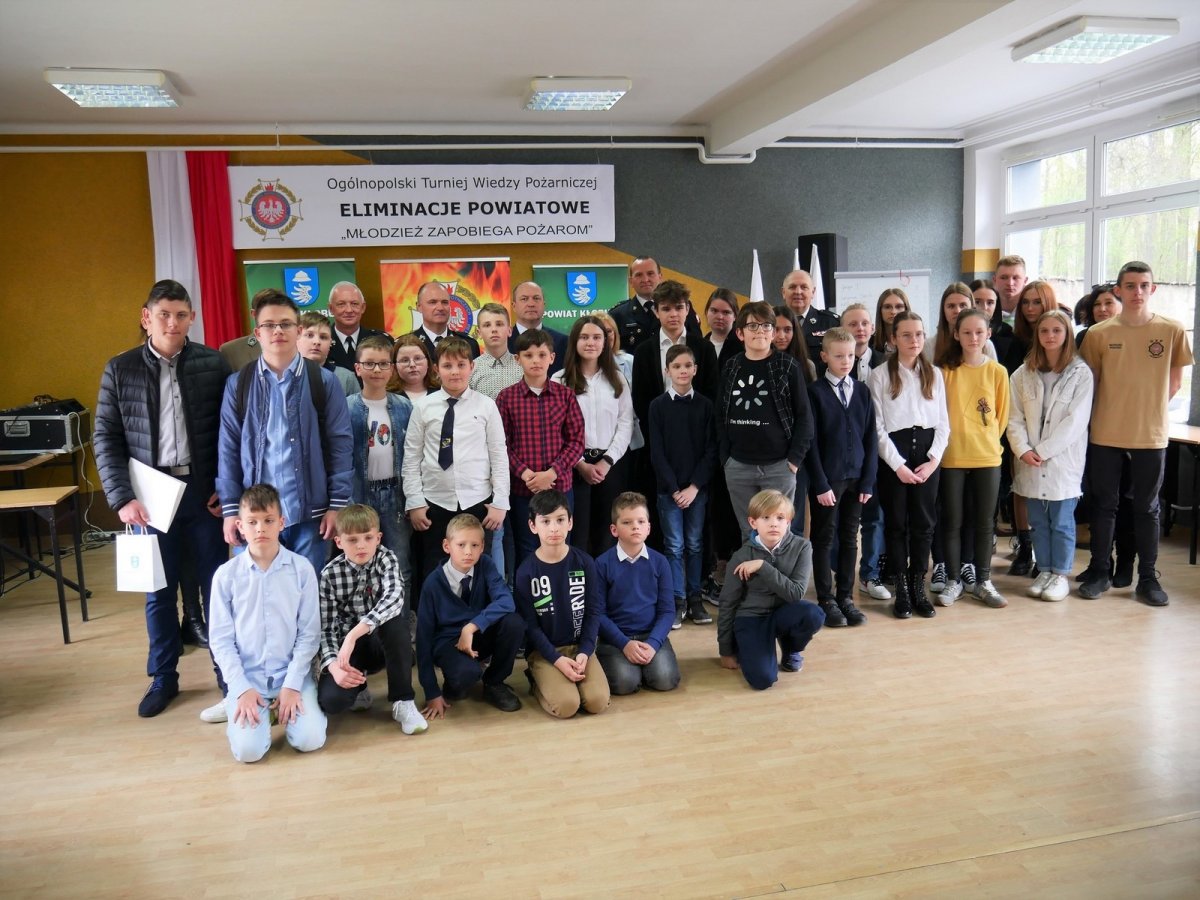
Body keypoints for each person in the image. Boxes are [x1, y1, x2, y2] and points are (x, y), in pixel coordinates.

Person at [94, 278, 231, 719]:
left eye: (181, 315)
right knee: (158, 591)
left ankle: (228, 676)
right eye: (164, 314)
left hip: (204, 496)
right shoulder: (121, 369)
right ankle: (163, 677)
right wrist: (122, 498)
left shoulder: (213, 363)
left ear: (192, 318)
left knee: (217, 589)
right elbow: (106, 437)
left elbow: (230, 431)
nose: (172, 322)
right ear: (146, 317)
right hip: (149, 499)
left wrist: (226, 486)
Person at [216, 288, 354, 578]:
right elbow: (228, 449)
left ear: (298, 330)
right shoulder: (238, 384)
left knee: (306, 593)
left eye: (286, 324)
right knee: (257, 593)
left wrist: (337, 505)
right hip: (255, 517)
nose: (277, 331)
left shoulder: (323, 382)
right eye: (269, 325)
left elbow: (340, 445)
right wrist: (230, 510)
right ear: (258, 332)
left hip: (310, 515)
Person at [1078, 261, 1193, 606]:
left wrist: (1145, 409)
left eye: (1144, 285)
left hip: (1150, 434)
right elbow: (1092, 385)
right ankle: (1100, 570)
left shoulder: (1172, 330)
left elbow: (1174, 383)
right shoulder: (1099, 334)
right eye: (1130, 286)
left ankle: (1147, 578)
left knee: (1147, 508)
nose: (1137, 292)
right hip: (1105, 433)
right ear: (1119, 290)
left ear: (1152, 289)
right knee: (1104, 505)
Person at [208, 484, 327, 763]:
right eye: (252, 522)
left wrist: (293, 685)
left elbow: (309, 634)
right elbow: (221, 640)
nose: (260, 528)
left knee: (310, 741)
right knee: (248, 752)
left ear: (281, 523)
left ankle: (290, 705)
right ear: (240, 526)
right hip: (249, 679)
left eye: (268, 520)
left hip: (291, 674)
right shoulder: (226, 576)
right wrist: (241, 687)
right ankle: (240, 706)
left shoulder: (301, 569)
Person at [402, 337, 509, 592]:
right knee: (434, 567)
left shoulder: (486, 406)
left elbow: (498, 455)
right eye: (447, 366)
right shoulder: (423, 407)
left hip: (478, 500)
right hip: (434, 502)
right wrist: (414, 501)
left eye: (461, 365)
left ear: (472, 367)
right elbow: (411, 458)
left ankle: (476, 614)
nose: (455, 372)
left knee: (477, 568)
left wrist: (500, 502)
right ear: (436, 369)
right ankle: (437, 615)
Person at [316, 504, 427, 734]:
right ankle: (359, 686)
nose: (361, 545)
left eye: (368, 538)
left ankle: (403, 700)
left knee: (395, 623)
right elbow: (325, 629)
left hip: (379, 642)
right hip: (348, 652)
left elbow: (394, 598)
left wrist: (354, 634)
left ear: (378, 538)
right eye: (352, 540)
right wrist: (334, 667)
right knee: (332, 701)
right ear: (339, 542)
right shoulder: (329, 575)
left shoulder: (387, 559)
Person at [1008, 310, 1093, 603]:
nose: (1050, 336)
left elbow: (1075, 422)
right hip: (1029, 460)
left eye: (1057, 330)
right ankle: (1044, 569)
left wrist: (1042, 451)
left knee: (1061, 521)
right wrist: (1024, 449)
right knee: (1038, 522)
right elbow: (1014, 418)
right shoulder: (1022, 374)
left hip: (1061, 460)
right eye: (1044, 331)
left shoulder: (1080, 373)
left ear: (1067, 334)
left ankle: (1060, 574)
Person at [868, 312, 949, 620]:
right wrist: (898, 465)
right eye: (906, 335)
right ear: (893, 339)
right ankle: (901, 586)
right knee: (897, 523)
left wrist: (933, 461)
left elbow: (943, 424)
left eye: (918, 334)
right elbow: (877, 428)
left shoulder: (934, 374)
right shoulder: (880, 375)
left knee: (924, 524)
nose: (914, 340)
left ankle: (918, 586)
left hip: (927, 456)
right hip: (895, 457)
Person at [934, 308, 1010, 609]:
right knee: (952, 520)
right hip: (952, 456)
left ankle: (983, 580)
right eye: (966, 332)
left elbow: (1001, 416)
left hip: (987, 457)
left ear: (988, 333)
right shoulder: (944, 371)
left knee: (984, 522)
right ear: (956, 334)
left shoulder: (997, 372)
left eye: (979, 332)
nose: (973, 338)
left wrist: (985, 440)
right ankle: (953, 580)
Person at [717, 301, 812, 540]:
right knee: (749, 533)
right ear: (740, 333)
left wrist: (794, 460)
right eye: (753, 326)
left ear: (772, 332)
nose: (760, 331)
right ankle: (755, 568)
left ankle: (779, 570)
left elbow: (804, 417)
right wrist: (726, 458)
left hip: (780, 466)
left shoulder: (788, 366)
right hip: (738, 466)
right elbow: (720, 414)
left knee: (779, 535)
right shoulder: (731, 366)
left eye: (766, 326)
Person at [415, 513, 524, 716]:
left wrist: (471, 627)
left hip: (477, 634)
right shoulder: (433, 583)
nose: (468, 552)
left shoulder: (486, 564)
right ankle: (455, 680)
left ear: (482, 547)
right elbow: (423, 639)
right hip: (448, 643)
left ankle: (494, 682)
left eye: (474, 545)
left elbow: (506, 601)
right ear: (447, 546)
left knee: (514, 623)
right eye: (461, 545)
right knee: (466, 675)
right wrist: (431, 692)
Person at [514, 491, 610, 718]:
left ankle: (574, 675)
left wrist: (585, 651)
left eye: (560, 520)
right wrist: (556, 659)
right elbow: (530, 626)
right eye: (545, 521)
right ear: (533, 526)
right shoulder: (525, 572)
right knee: (567, 706)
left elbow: (593, 611)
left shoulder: (585, 562)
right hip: (545, 651)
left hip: (579, 646)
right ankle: (536, 679)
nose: (554, 528)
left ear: (570, 522)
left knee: (597, 702)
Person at [804, 328, 877, 627]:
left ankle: (845, 596)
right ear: (824, 357)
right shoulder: (815, 393)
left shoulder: (862, 391)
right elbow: (810, 444)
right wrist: (820, 483)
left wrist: (868, 480)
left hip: (856, 479)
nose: (845, 361)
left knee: (849, 537)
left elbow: (870, 437)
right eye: (838, 356)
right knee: (823, 538)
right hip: (827, 482)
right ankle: (826, 598)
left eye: (849, 355)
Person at [716, 490, 824, 690]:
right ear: (753, 522)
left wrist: (762, 567)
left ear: (788, 522)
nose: (774, 524)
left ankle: (790, 648)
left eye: (780, 518)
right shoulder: (740, 556)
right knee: (763, 680)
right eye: (766, 518)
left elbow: (796, 593)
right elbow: (727, 603)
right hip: (752, 618)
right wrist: (725, 650)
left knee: (813, 614)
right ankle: (747, 645)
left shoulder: (802, 547)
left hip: (784, 613)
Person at [496, 329, 585, 568]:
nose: (536, 360)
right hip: (522, 489)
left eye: (542, 354)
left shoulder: (565, 396)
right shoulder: (506, 398)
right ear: (518, 359)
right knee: (526, 545)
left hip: (559, 486)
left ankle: (561, 588)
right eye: (528, 355)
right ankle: (530, 591)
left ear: (552, 358)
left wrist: (552, 473)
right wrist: (527, 475)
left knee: (560, 542)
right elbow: (501, 445)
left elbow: (576, 441)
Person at [552, 315, 633, 557]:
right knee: (577, 532)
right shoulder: (559, 380)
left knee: (607, 531)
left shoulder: (617, 378)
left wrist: (606, 461)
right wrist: (580, 464)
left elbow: (625, 423)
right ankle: (579, 578)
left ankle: (604, 578)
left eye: (597, 337)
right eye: (584, 337)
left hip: (610, 465)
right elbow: (556, 429)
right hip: (573, 467)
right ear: (574, 342)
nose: (591, 343)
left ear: (605, 342)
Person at [649, 345, 718, 628]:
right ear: (667, 370)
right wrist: (675, 489)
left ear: (695, 369)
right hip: (669, 492)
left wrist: (694, 487)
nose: (683, 371)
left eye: (688, 365)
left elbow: (711, 450)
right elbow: (657, 453)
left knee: (695, 544)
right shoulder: (657, 406)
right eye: (676, 366)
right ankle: (677, 600)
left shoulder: (705, 406)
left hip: (696, 491)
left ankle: (695, 598)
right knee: (674, 546)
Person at [346, 335, 415, 607]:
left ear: (392, 369)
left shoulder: (404, 407)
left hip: (395, 495)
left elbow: (413, 455)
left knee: (400, 565)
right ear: (357, 368)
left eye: (383, 364)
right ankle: (364, 622)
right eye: (370, 364)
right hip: (360, 495)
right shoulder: (347, 407)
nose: (377, 370)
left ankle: (400, 621)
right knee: (361, 564)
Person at [594, 492, 680, 695]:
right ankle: (633, 669)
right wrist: (624, 644)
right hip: (616, 638)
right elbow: (597, 613)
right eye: (627, 522)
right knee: (624, 683)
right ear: (614, 529)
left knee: (665, 679)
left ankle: (645, 666)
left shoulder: (660, 562)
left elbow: (667, 611)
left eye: (641, 521)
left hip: (650, 634)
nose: (635, 527)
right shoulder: (602, 564)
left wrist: (654, 643)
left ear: (648, 528)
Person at [1002, 280, 1056, 577]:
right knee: (1021, 487)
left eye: (1037, 302)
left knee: (1051, 490)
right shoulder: (1017, 342)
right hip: (1022, 427)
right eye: (1026, 303)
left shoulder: (1061, 340)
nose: (1031, 308)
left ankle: (1046, 552)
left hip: (1055, 429)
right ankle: (1025, 548)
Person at [469, 302, 524, 577]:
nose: (494, 330)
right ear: (479, 332)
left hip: (522, 457)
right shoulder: (472, 369)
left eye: (499, 324)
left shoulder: (522, 364)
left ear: (509, 330)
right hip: (487, 461)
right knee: (498, 530)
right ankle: (501, 586)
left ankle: (519, 584)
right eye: (487, 325)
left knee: (523, 528)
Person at [840, 304, 889, 602]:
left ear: (873, 328)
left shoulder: (887, 364)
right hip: (840, 458)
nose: (860, 329)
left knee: (874, 517)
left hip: (876, 452)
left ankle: (870, 574)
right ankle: (840, 574)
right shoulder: (829, 364)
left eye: (865, 323)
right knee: (839, 524)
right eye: (853, 324)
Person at [608, 255, 700, 352]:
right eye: (639, 275)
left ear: (660, 277)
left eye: (650, 273)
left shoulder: (681, 307)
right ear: (631, 281)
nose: (645, 279)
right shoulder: (617, 314)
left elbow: (696, 343)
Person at [325, 281, 391, 375]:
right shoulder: (320, 343)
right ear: (331, 308)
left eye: (354, 304)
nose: (349, 310)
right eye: (341, 304)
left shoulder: (382, 340)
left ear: (363, 307)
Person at [507, 281, 568, 378]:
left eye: (536, 298)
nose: (531, 304)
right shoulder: (503, 342)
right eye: (524, 299)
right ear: (514, 306)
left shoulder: (563, 342)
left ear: (544, 304)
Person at [406, 281, 480, 359]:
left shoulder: (469, 344)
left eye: (445, 302)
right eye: (433, 302)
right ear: (419, 307)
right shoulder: (406, 345)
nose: (440, 308)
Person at [297, 310, 359, 398]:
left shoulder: (347, 378)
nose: (317, 342)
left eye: (323, 337)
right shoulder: (282, 375)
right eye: (309, 335)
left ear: (330, 343)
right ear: (296, 338)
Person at [781, 269, 840, 360]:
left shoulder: (831, 323)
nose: (798, 292)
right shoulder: (771, 322)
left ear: (813, 292)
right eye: (792, 287)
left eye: (804, 287)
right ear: (783, 292)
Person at [389, 333, 439, 404]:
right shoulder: (386, 397)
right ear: (395, 366)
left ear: (427, 362)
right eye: (405, 360)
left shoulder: (442, 393)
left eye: (417, 358)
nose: (412, 365)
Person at [973, 278, 1015, 364]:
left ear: (996, 305)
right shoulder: (959, 331)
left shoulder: (1007, 333)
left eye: (990, 303)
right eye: (977, 302)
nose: (984, 308)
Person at [704, 287, 743, 369]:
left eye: (726, 312)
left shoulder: (743, 347)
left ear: (735, 316)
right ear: (707, 312)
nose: (719, 317)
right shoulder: (700, 345)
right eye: (714, 311)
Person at [871, 287, 911, 356]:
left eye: (899, 307)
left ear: (906, 310)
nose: (893, 312)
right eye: (887, 307)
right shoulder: (870, 343)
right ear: (880, 311)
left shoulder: (916, 341)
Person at [993, 254, 1028, 323]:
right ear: (994, 280)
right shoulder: (985, 308)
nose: (1010, 283)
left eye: (1015, 278)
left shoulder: (1032, 310)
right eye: (1004, 278)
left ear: (1025, 281)